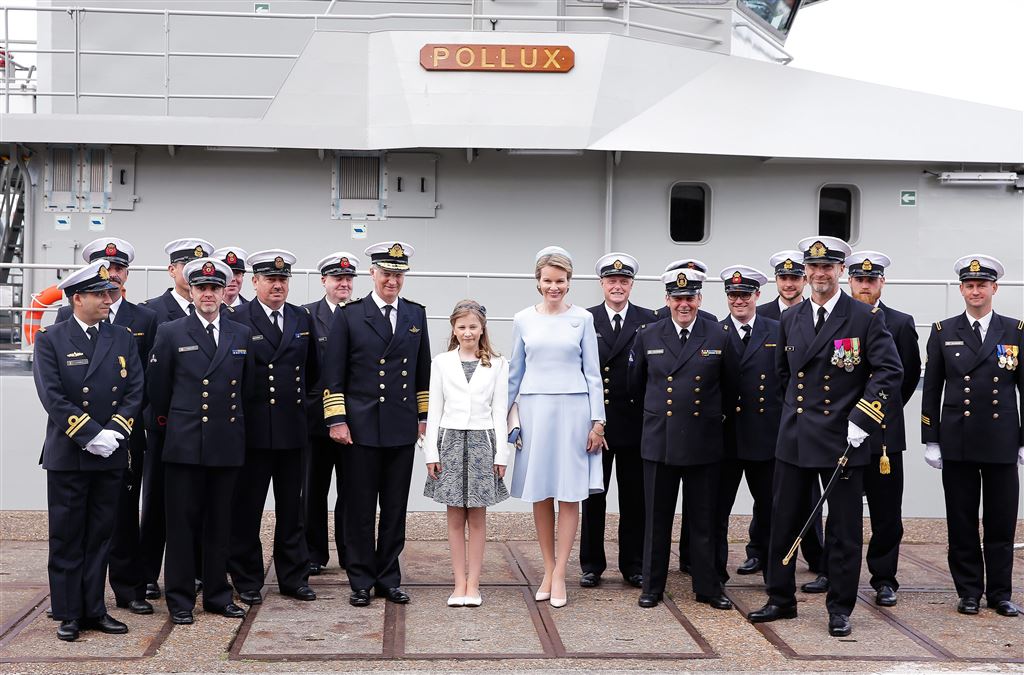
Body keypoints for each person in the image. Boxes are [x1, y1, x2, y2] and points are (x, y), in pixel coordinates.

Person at [747, 236, 902, 638]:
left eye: (827, 267)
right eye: (813, 268)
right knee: (783, 520)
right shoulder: (791, 318)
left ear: (840, 271)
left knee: (844, 530)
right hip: (796, 437)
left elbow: (890, 371)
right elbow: (783, 375)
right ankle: (780, 598)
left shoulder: (864, 317)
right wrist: (793, 417)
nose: (819, 274)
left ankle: (840, 607)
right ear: (806, 272)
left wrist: (863, 417)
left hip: (843, 439)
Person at [33, 260, 144, 642]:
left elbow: (135, 389)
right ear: (77, 298)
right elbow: (52, 396)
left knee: (100, 535)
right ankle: (68, 612)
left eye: (110, 293)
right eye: (100, 294)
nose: (108, 300)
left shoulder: (122, 337)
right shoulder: (51, 339)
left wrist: (115, 431)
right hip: (70, 453)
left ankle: (95, 609)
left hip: (110, 451)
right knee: (67, 536)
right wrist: (90, 434)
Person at [323, 241, 431, 607]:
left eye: (398, 275)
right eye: (386, 273)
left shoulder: (415, 314)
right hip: (361, 427)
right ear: (372, 273)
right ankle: (360, 580)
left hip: (400, 425)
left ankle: (388, 578)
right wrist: (337, 419)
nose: (393, 281)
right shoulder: (350, 315)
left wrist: (423, 418)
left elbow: (422, 371)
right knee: (360, 508)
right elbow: (333, 373)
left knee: (395, 508)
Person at [146, 257, 253, 625]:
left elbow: (248, 388)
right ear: (191, 292)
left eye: (215, 288)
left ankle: (218, 596)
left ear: (224, 292)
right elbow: (158, 390)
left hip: (226, 442)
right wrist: (178, 423)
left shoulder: (240, 333)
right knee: (181, 525)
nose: (208, 294)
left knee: (220, 523)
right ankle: (179, 599)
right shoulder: (171, 332)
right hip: (185, 443)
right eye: (202, 288)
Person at [54, 238, 158, 615]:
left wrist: (118, 428)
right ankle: (72, 601)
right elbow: (59, 384)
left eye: (118, 269)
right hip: (77, 437)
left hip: (123, 435)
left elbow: (143, 381)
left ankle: (125, 591)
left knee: (121, 519)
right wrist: (89, 432)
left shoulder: (142, 319)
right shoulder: (63, 320)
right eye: (105, 268)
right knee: (74, 526)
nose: (112, 276)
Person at [627, 266, 735, 611]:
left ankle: (707, 587)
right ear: (667, 299)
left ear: (699, 299)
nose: (683, 304)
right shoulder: (648, 334)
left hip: (703, 441)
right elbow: (635, 385)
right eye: (677, 298)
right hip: (660, 440)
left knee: (703, 520)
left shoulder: (718, 335)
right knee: (656, 521)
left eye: (689, 298)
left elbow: (731, 386)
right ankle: (652, 587)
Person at [921, 254, 1022, 618]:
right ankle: (968, 592)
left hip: (1001, 440)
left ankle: (1000, 593)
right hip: (957, 439)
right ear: (962, 290)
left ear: (994, 289)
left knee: (1001, 522)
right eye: (969, 285)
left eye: (982, 285)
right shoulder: (943, 331)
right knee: (961, 521)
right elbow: (932, 389)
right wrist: (931, 438)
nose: (975, 291)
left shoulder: (1015, 330)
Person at [508, 246, 606, 608]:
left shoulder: (583, 319)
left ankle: (561, 572)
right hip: (535, 410)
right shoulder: (522, 319)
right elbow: (515, 372)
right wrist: (505, 420)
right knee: (541, 492)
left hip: (573, 410)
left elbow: (592, 374)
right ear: (538, 281)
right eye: (548, 281)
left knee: (569, 492)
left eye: (560, 281)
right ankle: (547, 569)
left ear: (569, 282)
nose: (554, 287)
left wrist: (598, 422)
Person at [227, 250, 319, 605]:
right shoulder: (237, 318)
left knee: (293, 510)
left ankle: (294, 577)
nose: (277, 285)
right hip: (252, 431)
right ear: (255, 282)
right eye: (270, 279)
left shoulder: (301, 317)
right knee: (247, 509)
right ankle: (247, 578)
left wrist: (306, 413)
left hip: (292, 430)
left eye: (282, 279)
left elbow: (314, 373)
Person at [138, 237, 213, 600]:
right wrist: (160, 418)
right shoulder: (152, 312)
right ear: (172, 270)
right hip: (164, 425)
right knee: (156, 501)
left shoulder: (219, 312)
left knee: (199, 502)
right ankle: (148, 573)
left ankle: (197, 570)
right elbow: (150, 375)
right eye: (185, 265)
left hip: (205, 427)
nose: (191, 272)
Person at [845, 250, 921, 607]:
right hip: (844, 431)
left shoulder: (901, 323)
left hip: (885, 435)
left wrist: (878, 413)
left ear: (882, 283)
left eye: (871, 280)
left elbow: (907, 376)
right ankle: (834, 572)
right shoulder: (838, 319)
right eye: (860, 279)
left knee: (886, 513)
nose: (865, 285)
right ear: (850, 281)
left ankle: (884, 578)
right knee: (843, 511)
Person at [423, 300, 510, 607]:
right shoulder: (441, 362)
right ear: (454, 329)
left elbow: (500, 412)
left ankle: (474, 584)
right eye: (462, 327)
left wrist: (501, 456)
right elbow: (435, 411)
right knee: (455, 517)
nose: (468, 332)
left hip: (482, 443)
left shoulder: (497, 363)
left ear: (482, 328)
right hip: (449, 442)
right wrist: (431, 453)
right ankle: (458, 582)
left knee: (477, 516)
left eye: (473, 326)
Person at [579, 252, 652, 590]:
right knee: (594, 497)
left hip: (635, 423)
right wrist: (591, 421)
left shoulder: (649, 319)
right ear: (602, 284)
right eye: (612, 281)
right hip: (598, 425)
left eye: (624, 281)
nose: (617, 286)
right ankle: (591, 565)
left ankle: (634, 565)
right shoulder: (585, 319)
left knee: (635, 499)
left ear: (631, 285)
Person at [757, 250, 825, 581]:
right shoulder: (765, 314)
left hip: (822, 422)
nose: (789, 283)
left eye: (794, 277)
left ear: (803, 280)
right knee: (774, 499)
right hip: (779, 419)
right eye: (783, 278)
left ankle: (817, 555)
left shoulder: (836, 315)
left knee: (812, 498)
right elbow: (779, 372)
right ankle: (761, 555)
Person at [715, 265, 779, 581]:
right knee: (717, 510)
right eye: (733, 295)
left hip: (765, 436)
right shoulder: (714, 331)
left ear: (757, 295)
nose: (738, 301)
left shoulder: (776, 330)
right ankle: (716, 573)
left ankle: (769, 568)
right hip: (725, 438)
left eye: (744, 295)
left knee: (770, 508)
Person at [304, 252, 359, 576]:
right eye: (338, 278)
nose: (344, 284)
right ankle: (313, 553)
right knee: (313, 489)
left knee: (351, 490)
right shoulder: (307, 315)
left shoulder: (360, 314)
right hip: (315, 419)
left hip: (354, 417)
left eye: (348, 279)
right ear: (324, 280)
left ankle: (350, 553)